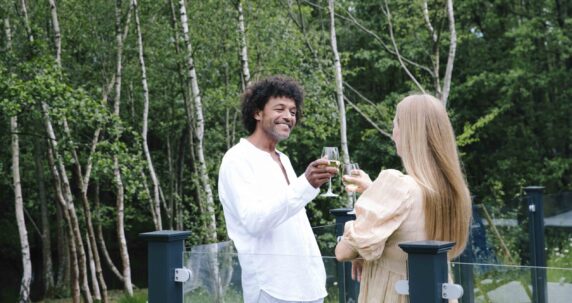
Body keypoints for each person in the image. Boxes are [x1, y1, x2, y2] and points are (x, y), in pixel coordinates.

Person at [335, 94, 472, 303]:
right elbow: (412, 219)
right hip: (438, 293)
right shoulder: (452, 191)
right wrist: (374, 192)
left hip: (396, 294)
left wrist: (361, 244)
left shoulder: (398, 185)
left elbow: (343, 252)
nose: (393, 134)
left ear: (409, 133)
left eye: (395, 125)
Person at [218, 75, 337, 303]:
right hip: (272, 288)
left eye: (293, 111)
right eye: (279, 108)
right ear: (257, 112)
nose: (288, 116)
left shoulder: (283, 158)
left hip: (309, 285)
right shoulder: (237, 159)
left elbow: (291, 214)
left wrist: (311, 185)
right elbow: (255, 221)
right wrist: (305, 183)